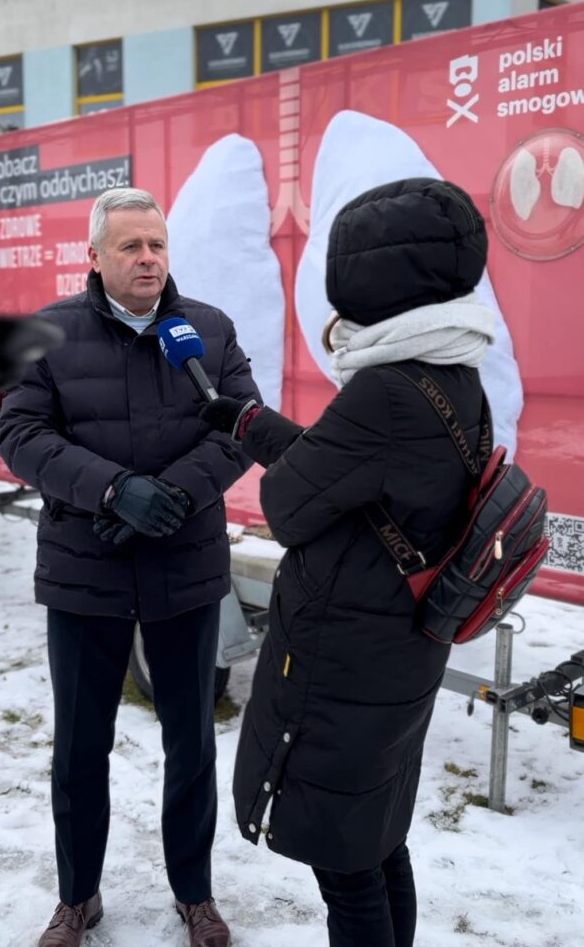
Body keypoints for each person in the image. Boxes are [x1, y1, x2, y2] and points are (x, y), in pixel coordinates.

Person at [200, 177, 497, 947]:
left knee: (346, 869)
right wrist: (251, 424)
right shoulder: (452, 376)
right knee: (377, 838)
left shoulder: (384, 391)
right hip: (400, 646)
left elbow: (292, 507)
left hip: (343, 665)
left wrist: (267, 446)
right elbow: (357, 477)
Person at [0, 187, 260, 947]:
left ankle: (196, 896)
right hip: (87, 567)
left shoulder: (206, 330)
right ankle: (77, 898)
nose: (147, 259)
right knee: (80, 746)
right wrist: (113, 489)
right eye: (130, 247)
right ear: (94, 257)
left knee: (192, 740)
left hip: (186, 564)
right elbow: (19, 432)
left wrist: (169, 493)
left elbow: (239, 425)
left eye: (156, 246)